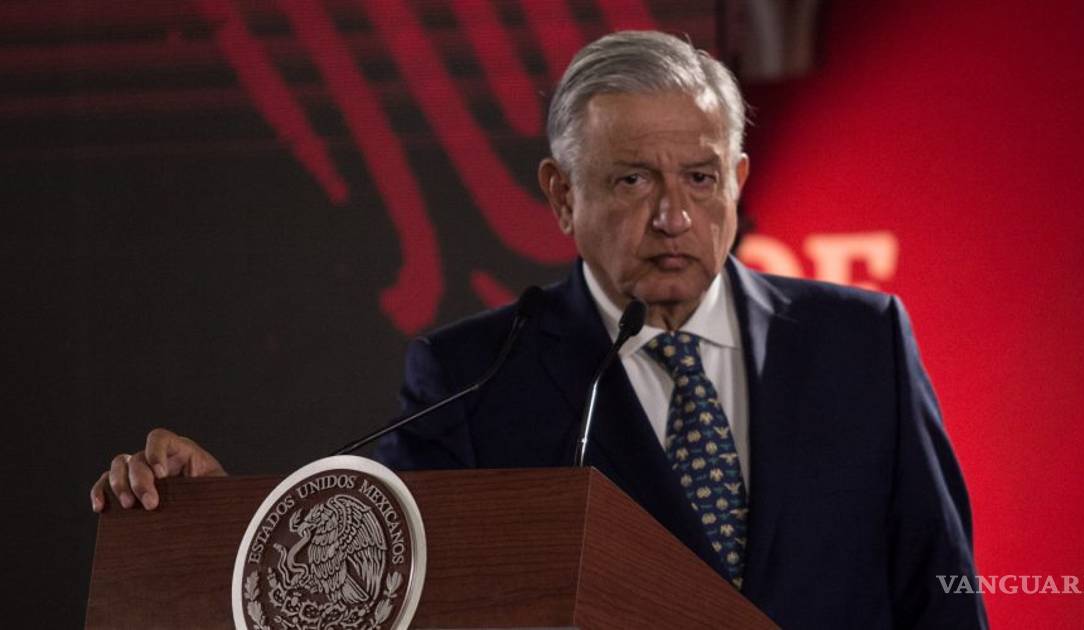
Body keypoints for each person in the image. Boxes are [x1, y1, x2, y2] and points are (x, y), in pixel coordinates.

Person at [92, 31, 987, 628]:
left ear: (738, 180)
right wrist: (214, 519)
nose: (674, 216)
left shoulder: (860, 341)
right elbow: (377, 580)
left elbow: (942, 589)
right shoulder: (473, 374)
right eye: (633, 180)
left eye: (701, 177)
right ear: (561, 195)